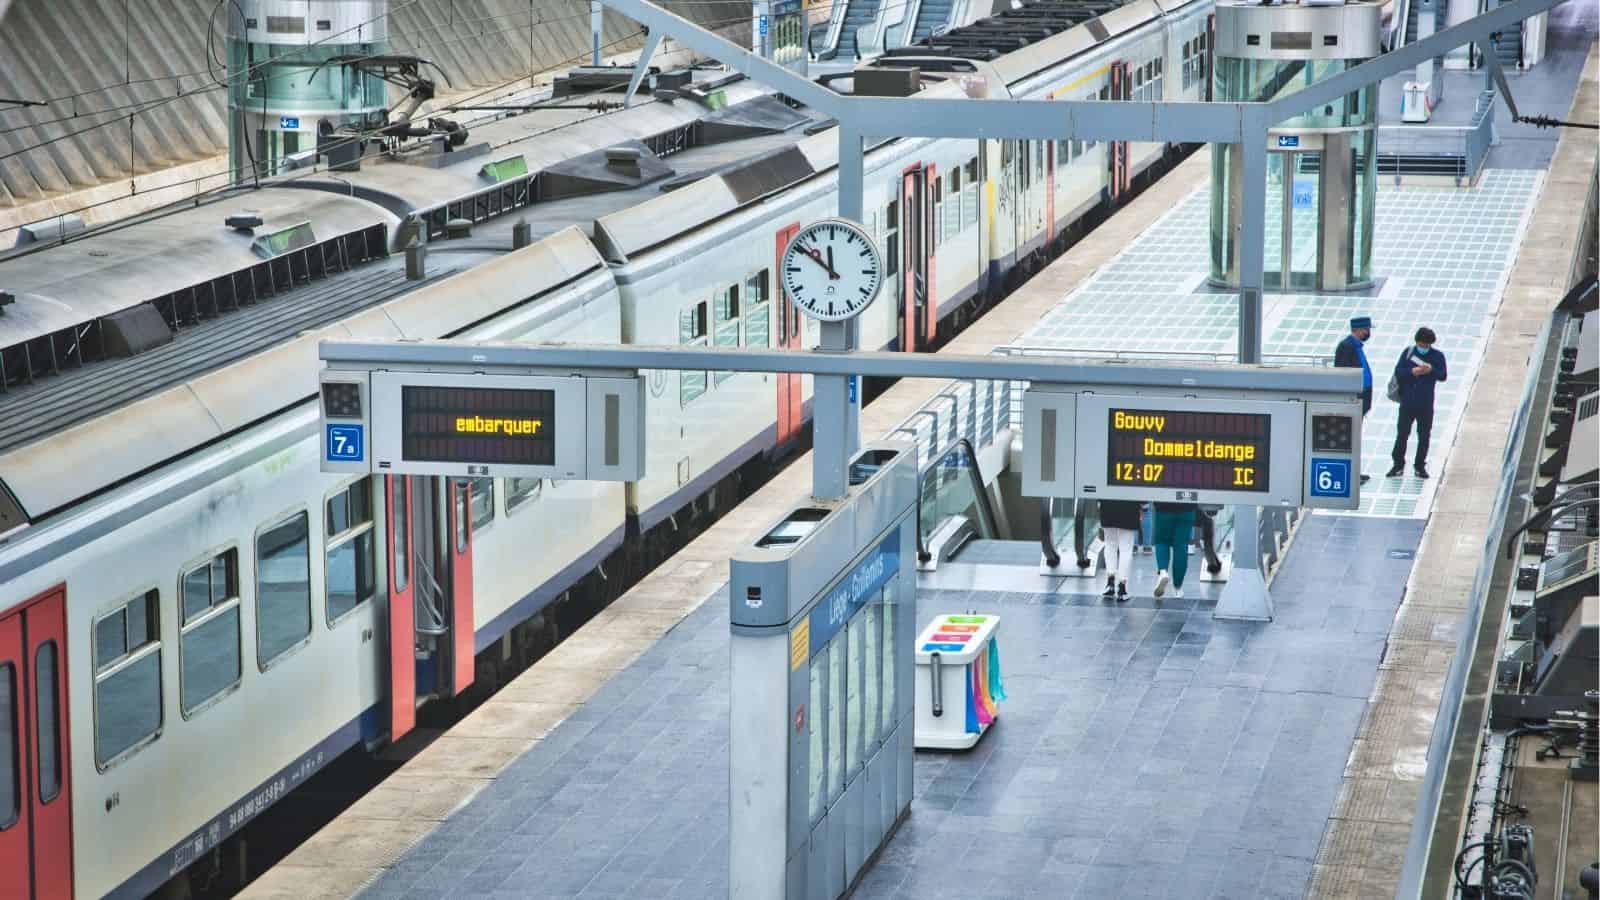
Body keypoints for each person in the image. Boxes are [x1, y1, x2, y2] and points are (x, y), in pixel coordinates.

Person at [1388, 326, 1448, 479]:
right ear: (1417, 342)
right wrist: (1412, 372)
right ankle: (1398, 464)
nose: (1424, 348)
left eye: (1427, 345)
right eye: (1421, 345)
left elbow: (1442, 376)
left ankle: (1420, 466)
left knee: (1424, 436)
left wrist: (1431, 370)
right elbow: (1399, 372)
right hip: (1407, 403)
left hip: (1426, 404)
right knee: (1402, 434)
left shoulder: (1437, 356)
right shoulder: (1408, 353)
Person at [1334, 314, 1374, 484]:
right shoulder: (1346, 347)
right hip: (1353, 401)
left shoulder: (1357, 347)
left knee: (1355, 439)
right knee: (1350, 440)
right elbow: (1342, 374)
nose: (1368, 332)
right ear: (1358, 330)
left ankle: (1355, 472)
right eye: (1366, 329)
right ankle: (1350, 475)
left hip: (1361, 401)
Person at [1151, 501, 1198, 599]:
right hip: (1187, 507)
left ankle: (1163, 572)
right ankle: (1178, 588)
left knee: (1162, 542)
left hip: (1163, 506)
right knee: (1181, 546)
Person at [1098, 499, 1142, 601]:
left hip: (1107, 505)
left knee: (1110, 544)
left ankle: (1110, 583)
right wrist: (1143, 507)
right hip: (1129, 506)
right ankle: (1122, 588)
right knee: (1126, 548)